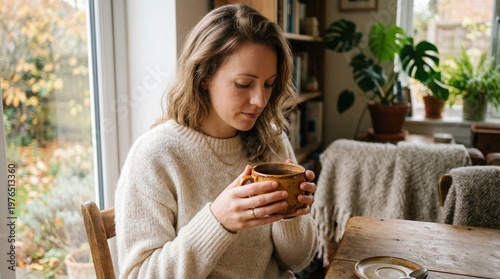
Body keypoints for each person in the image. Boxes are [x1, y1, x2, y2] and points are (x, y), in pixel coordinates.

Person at [115, 4, 318, 278]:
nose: (260, 100)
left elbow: (298, 261)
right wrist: (218, 222)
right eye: (244, 84)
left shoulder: (272, 142)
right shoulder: (155, 156)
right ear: (203, 77)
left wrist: (292, 211)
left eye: (269, 84)